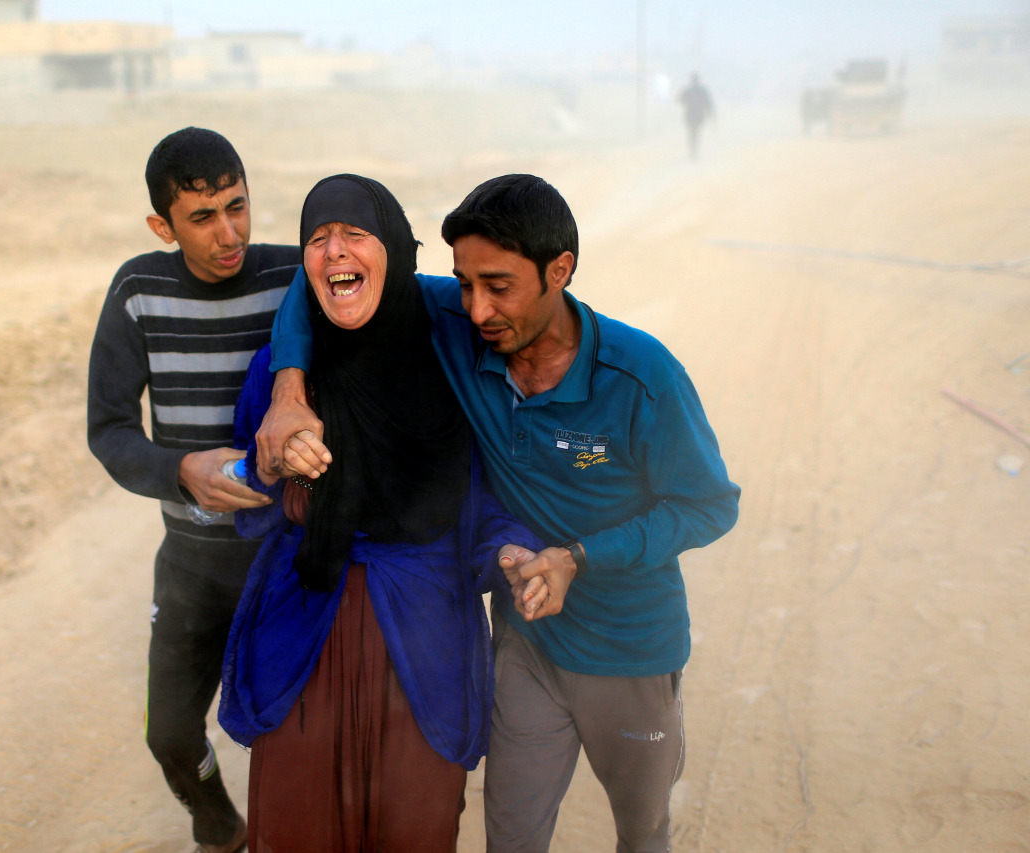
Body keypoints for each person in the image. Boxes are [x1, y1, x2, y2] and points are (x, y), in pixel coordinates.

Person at [259, 174, 740, 852]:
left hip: (630, 651)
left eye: (498, 285)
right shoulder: (461, 328)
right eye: (462, 283)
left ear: (560, 271)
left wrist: (579, 557)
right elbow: (323, 282)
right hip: (526, 648)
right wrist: (286, 385)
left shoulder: (641, 377)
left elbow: (710, 505)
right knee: (509, 838)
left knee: (643, 832)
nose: (478, 309)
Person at [217, 174, 542, 852]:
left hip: (424, 632)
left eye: (354, 234)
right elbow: (251, 494)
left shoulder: (456, 357)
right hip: (303, 622)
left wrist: (512, 550)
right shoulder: (276, 373)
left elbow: (494, 499)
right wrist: (266, 466)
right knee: (296, 823)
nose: (334, 251)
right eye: (317, 238)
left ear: (392, 247)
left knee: (414, 824)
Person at [86, 126, 300, 853]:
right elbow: (109, 430)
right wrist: (182, 471)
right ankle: (219, 825)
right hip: (191, 560)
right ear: (162, 226)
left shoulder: (295, 277)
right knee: (171, 735)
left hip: (289, 556)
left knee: (293, 734)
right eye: (203, 218)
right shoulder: (139, 291)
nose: (229, 232)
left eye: (238, 206)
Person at [678, 73, 716, 161]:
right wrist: (712, 115)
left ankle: (693, 151)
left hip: (690, 114)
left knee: (692, 132)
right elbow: (708, 103)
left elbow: (680, 100)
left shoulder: (688, 90)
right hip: (699, 114)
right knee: (696, 132)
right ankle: (694, 151)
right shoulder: (703, 91)